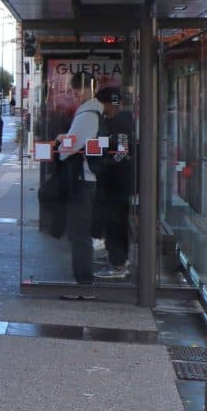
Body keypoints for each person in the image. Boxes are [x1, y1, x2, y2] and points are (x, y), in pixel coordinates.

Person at [56, 71, 102, 285]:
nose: (75, 97)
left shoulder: (87, 114)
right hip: (92, 179)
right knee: (81, 231)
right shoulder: (99, 111)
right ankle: (84, 278)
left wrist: (61, 140)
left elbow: (68, 149)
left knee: (79, 233)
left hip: (83, 180)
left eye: (76, 93)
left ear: (86, 89)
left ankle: (83, 281)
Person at [89, 87, 133, 280]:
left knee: (116, 222)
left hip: (117, 181)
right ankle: (116, 257)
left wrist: (105, 164)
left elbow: (123, 151)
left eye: (101, 103)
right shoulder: (113, 121)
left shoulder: (121, 122)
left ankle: (118, 264)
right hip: (114, 180)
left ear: (108, 103)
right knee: (114, 221)